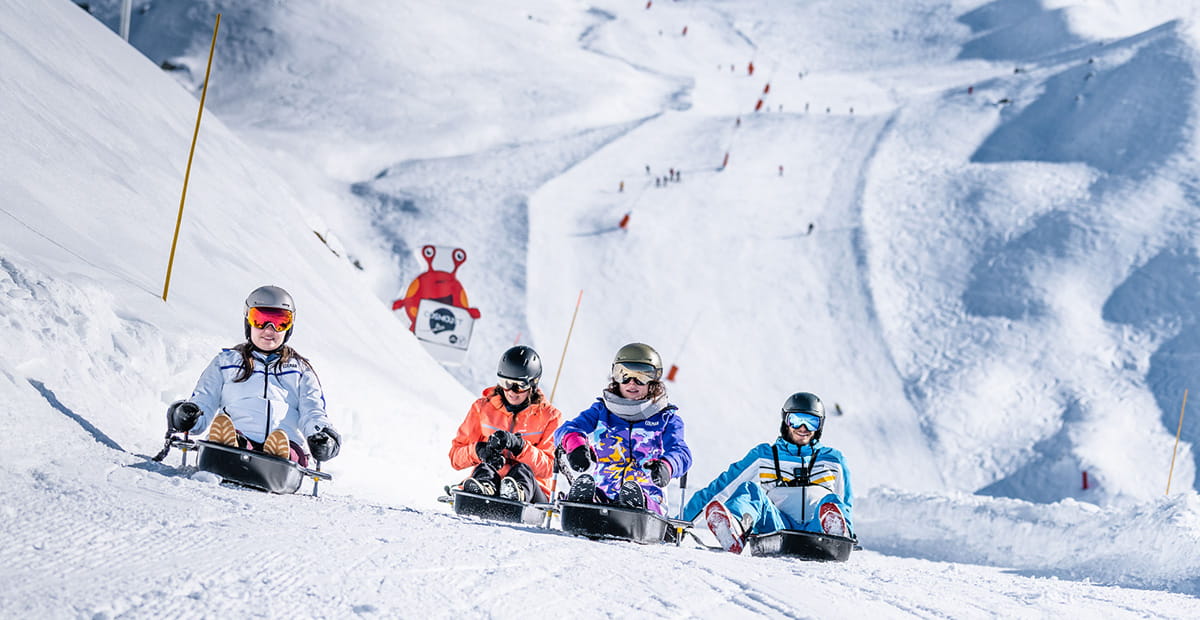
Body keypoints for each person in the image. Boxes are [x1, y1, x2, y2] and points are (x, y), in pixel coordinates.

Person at [165, 286, 341, 467]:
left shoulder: (300, 370)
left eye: (280, 322)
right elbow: (204, 400)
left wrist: (321, 435)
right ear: (248, 322)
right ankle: (230, 444)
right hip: (237, 434)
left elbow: (312, 411)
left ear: (289, 327)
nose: (269, 329)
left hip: (284, 443)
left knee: (287, 448)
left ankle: (280, 454)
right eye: (260, 320)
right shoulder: (226, 362)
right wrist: (188, 415)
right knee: (236, 439)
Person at [680, 392, 852, 554]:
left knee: (832, 502)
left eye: (811, 422)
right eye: (796, 420)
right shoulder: (764, 456)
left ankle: (834, 529)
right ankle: (735, 528)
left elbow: (845, 503)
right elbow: (720, 489)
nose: (803, 428)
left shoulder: (834, 460)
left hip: (818, 532)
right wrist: (681, 523)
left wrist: (849, 531)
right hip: (776, 528)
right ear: (786, 421)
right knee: (750, 491)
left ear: (820, 425)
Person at [554, 343, 691, 515]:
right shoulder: (602, 411)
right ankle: (583, 502)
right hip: (603, 493)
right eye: (624, 375)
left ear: (654, 379)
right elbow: (567, 429)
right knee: (589, 491)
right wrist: (576, 445)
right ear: (615, 376)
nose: (632, 383)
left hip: (647, 499)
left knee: (634, 496)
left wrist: (667, 466)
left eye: (641, 376)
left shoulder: (665, 418)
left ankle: (633, 503)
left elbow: (681, 452)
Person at [449, 346, 562, 502]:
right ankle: (483, 489)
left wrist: (520, 446)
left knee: (521, 470)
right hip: (494, 480)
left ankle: (516, 492)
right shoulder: (482, 408)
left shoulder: (550, 417)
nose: (511, 391)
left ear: (533, 384)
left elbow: (549, 467)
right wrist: (479, 451)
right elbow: (455, 458)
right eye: (505, 383)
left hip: (532, 491)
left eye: (519, 386)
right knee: (485, 469)